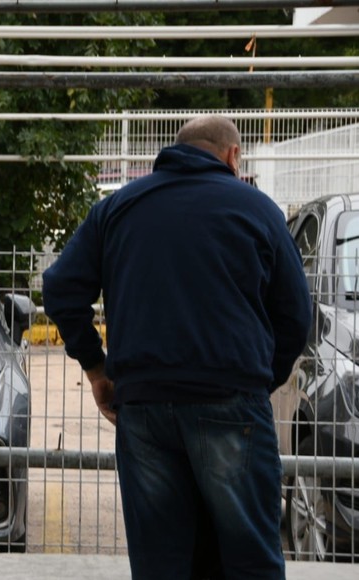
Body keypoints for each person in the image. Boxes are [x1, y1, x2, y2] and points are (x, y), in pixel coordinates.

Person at [41, 115, 311, 579]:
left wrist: (96, 368)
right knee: (250, 559)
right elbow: (295, 315)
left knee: (161, 563)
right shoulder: (257, 209)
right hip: (230, 402)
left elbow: (61, 288)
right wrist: (259, 380)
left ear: (175, 149)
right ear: (233, 155)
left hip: (143, 407)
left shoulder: (118, 208)